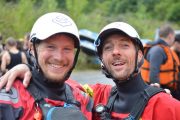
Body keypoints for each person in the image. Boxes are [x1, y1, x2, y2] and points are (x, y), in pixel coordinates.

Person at [1, 22, 180, 120]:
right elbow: (58, 84)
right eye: (108, 48)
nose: (116, 52)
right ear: (102, 60)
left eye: (124, 45)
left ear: (140, 54)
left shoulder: (169, 107)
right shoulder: (95, 95)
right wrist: (28, 68)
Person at [0, 12, 93, 120]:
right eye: (50, 47)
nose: (59, 57)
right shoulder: (7, 96)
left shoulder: (83, 99)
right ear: (32, 47)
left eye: (67, 49)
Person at [141, 24, 180, 100]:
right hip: (162, 91)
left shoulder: (164, 49)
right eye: (174, 37)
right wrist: (160, 94)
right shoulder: (158, 50)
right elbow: (153, 74)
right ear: (170, 35)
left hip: (169, 90)